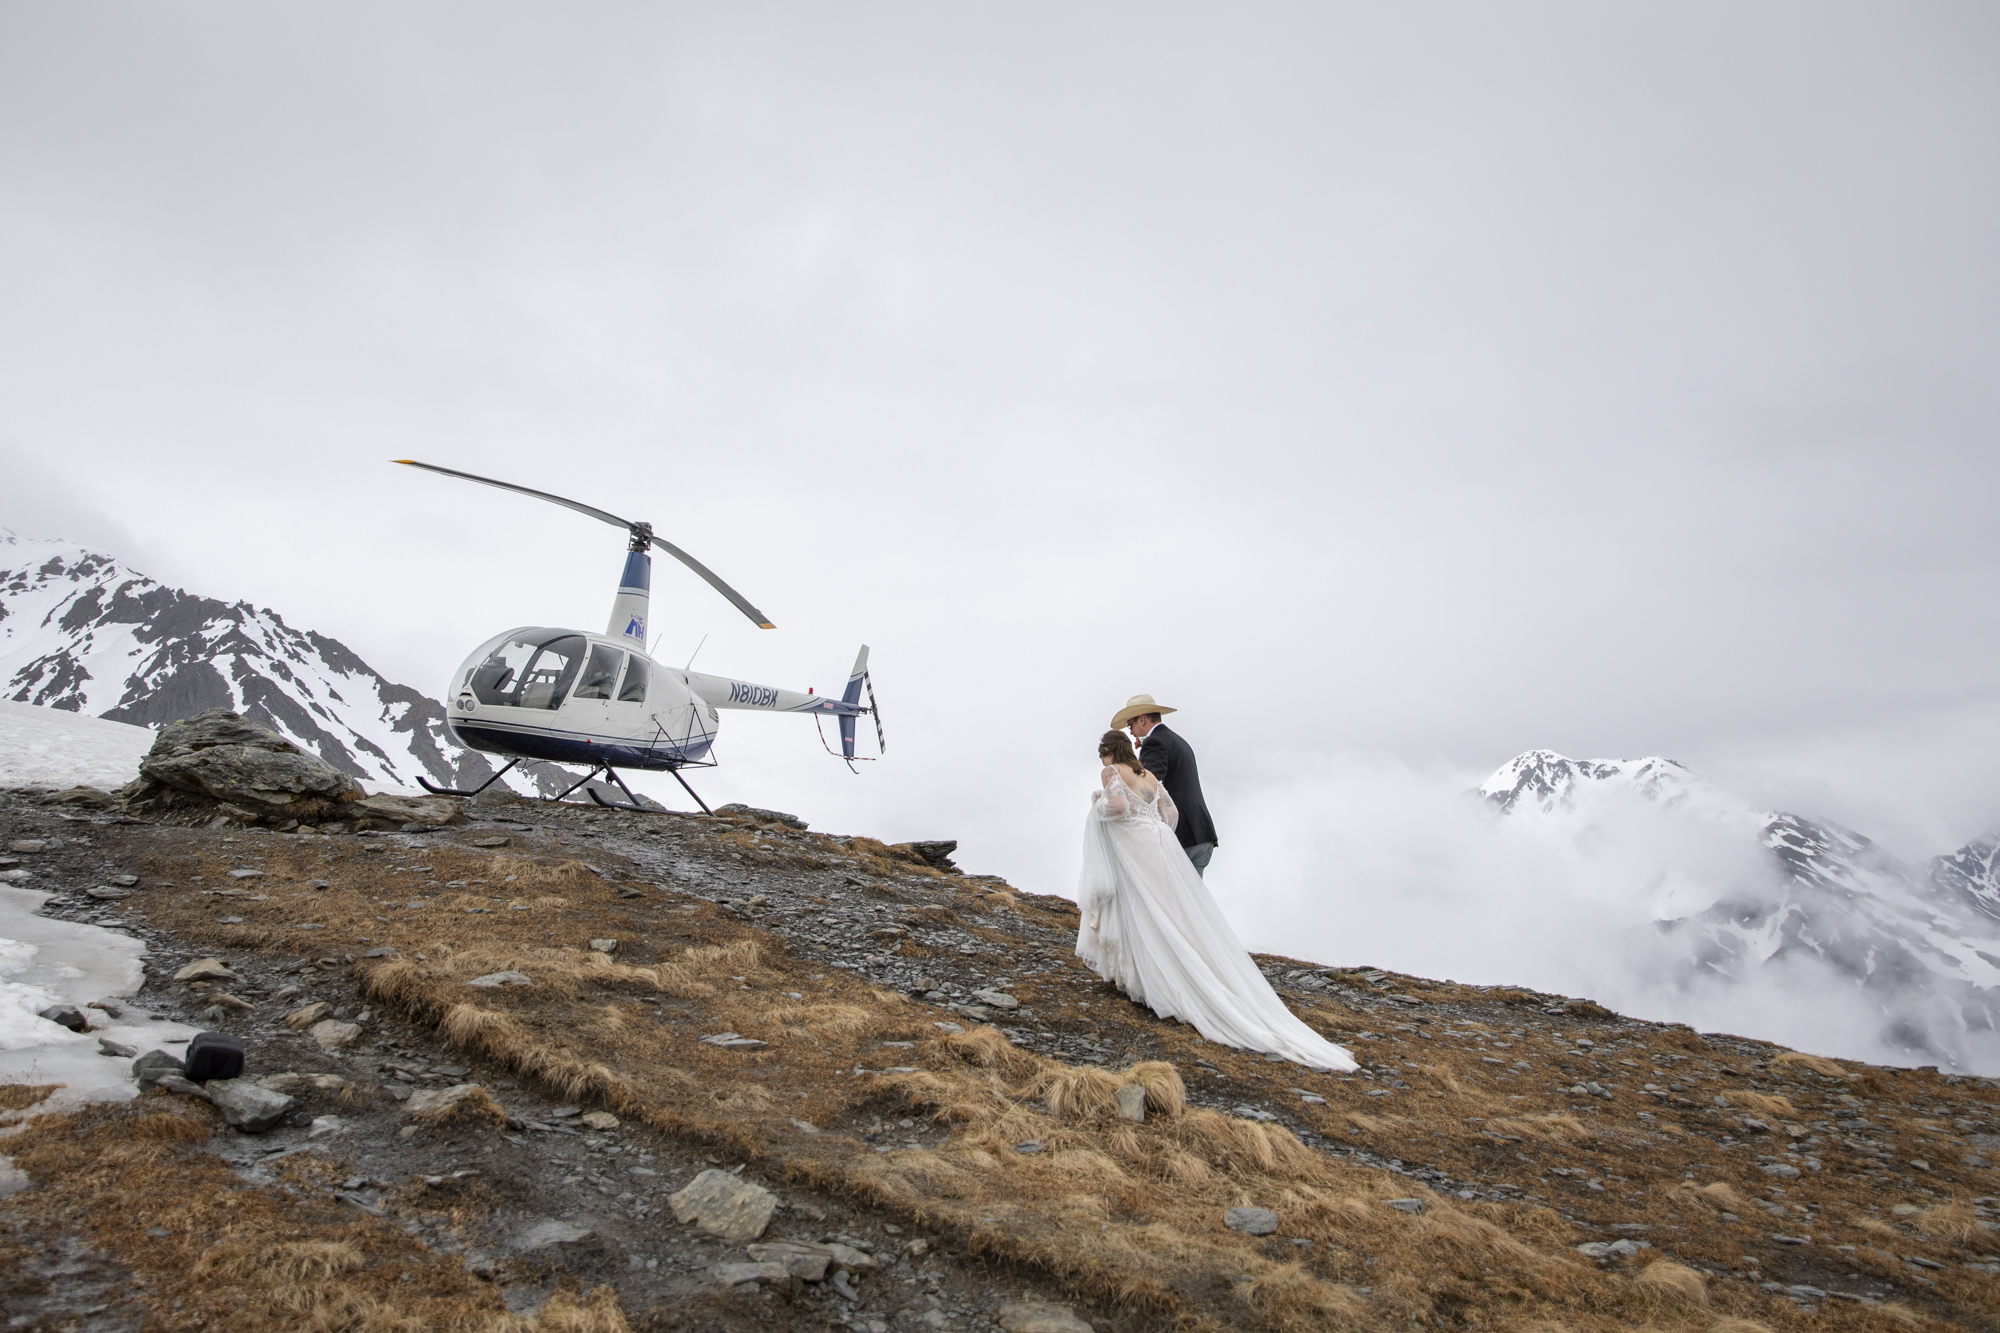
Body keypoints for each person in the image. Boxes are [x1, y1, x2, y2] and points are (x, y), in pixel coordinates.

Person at [1075, 728, 1356, 1070]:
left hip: (1138, 848)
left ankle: (1156, 979)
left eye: (1101, 754)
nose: (1101, 761)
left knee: (1148, 910)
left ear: (1108, 751)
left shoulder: (1112, 772)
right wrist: (1152, 827)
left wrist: (1097, 804)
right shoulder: (1145, 774)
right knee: (1172, 911)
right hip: (1161, 843)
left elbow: (1117, 805)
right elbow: (1172, 813)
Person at [1112, 694, 1217, 876]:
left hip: (1182, 835)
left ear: (1142, 719)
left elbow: (1146, 789)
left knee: (1173, 901)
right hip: (1201, 832)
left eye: (1131, 725)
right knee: (1192, 901)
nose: (1131, 732)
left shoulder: (1155, 743)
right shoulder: (1179, 741)